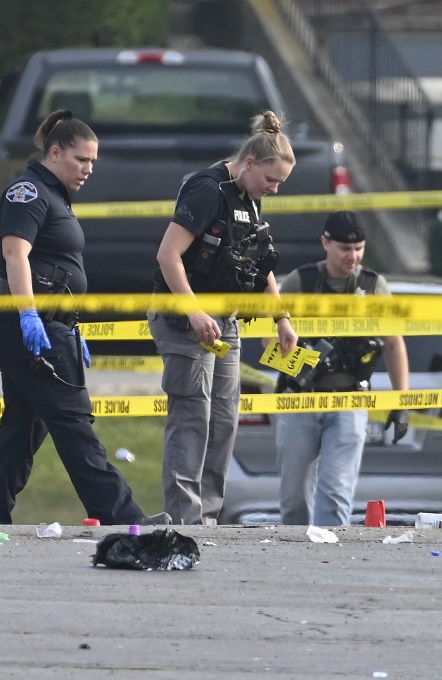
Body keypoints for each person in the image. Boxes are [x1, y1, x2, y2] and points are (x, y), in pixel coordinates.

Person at [0, 109, 169, 526]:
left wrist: (69, 328)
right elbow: (15, 254)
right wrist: (29, 316)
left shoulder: (55, 194)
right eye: (82, 160)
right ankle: (119, 515)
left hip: (51, 325)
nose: (89, 169)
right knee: (73, 421)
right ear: (55, 152)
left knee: (24, 425)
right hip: (30, 325)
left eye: (93, 162)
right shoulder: (28, 192)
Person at [148, 111, 299, 525]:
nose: (275, 189)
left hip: (226, 320)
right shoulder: (207, 191)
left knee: (224, 418)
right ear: (249, 163)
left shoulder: (250, 200)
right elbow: (168, 255)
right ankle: (184, 520)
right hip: (185, 316)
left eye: (280, 183)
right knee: (192, 416)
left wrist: (281, 318)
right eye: (271, 180)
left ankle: (209, 516)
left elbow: (260, 263)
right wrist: (193, 310)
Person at [274, 210, 410, 527]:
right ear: (325, 242)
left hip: (350, 399)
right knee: (294, 499)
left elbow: (393, 343)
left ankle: (329, 563)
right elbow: (268, 336)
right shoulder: (301, 281)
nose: (353, 256)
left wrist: (402, 401)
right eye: (345, 249)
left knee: (335, 496)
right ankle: (295, 564)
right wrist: (304, 358)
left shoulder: (373, 286)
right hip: (300, 399)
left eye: (359, 249)